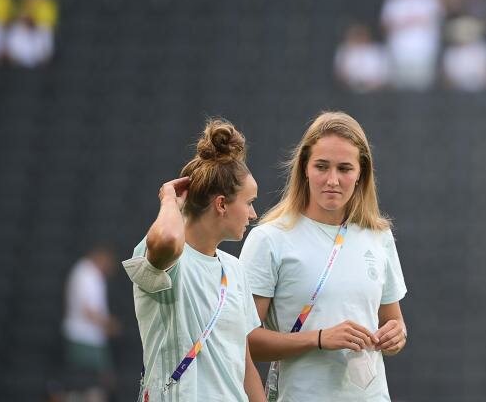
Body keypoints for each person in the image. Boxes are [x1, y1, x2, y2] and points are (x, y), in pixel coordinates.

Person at [240, 111, 408, 401]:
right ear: (304, 167)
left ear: (361, 174)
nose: (332, 180)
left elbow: (395, 323)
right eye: (321, 166)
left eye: (345, 168)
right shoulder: (270, 238)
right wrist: (319, 339)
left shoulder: (379, 236)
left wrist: (396, 336)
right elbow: (241, 341)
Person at [122, 119, 265, 402]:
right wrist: (169, 201)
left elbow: (244, 363)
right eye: (249, 202)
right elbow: (166, 241)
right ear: (221, 204)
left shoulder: (235, 269)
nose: (253, 214)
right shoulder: (167, 255)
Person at [62, 245, 121, 402]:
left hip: (91, 338)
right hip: (84, 338)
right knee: (91, 385)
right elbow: (88, 310)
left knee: (96, 385)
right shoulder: (86, 275)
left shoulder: (87, 273)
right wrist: (109, 324)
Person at [380, 0, 445, 90]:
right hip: (399, 50)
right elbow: (385, 24)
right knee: (400, 88)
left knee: (423, 87)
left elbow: (439, 14)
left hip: (424, 50)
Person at [334, 23, 390, 93]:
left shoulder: (377, 50)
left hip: (376, 92)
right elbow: (340, 74)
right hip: (350, 92)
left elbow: (385, 74)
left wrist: (372, 85)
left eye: (361, 34)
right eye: (356, 35)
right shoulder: (344, 51)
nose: (359, 37)